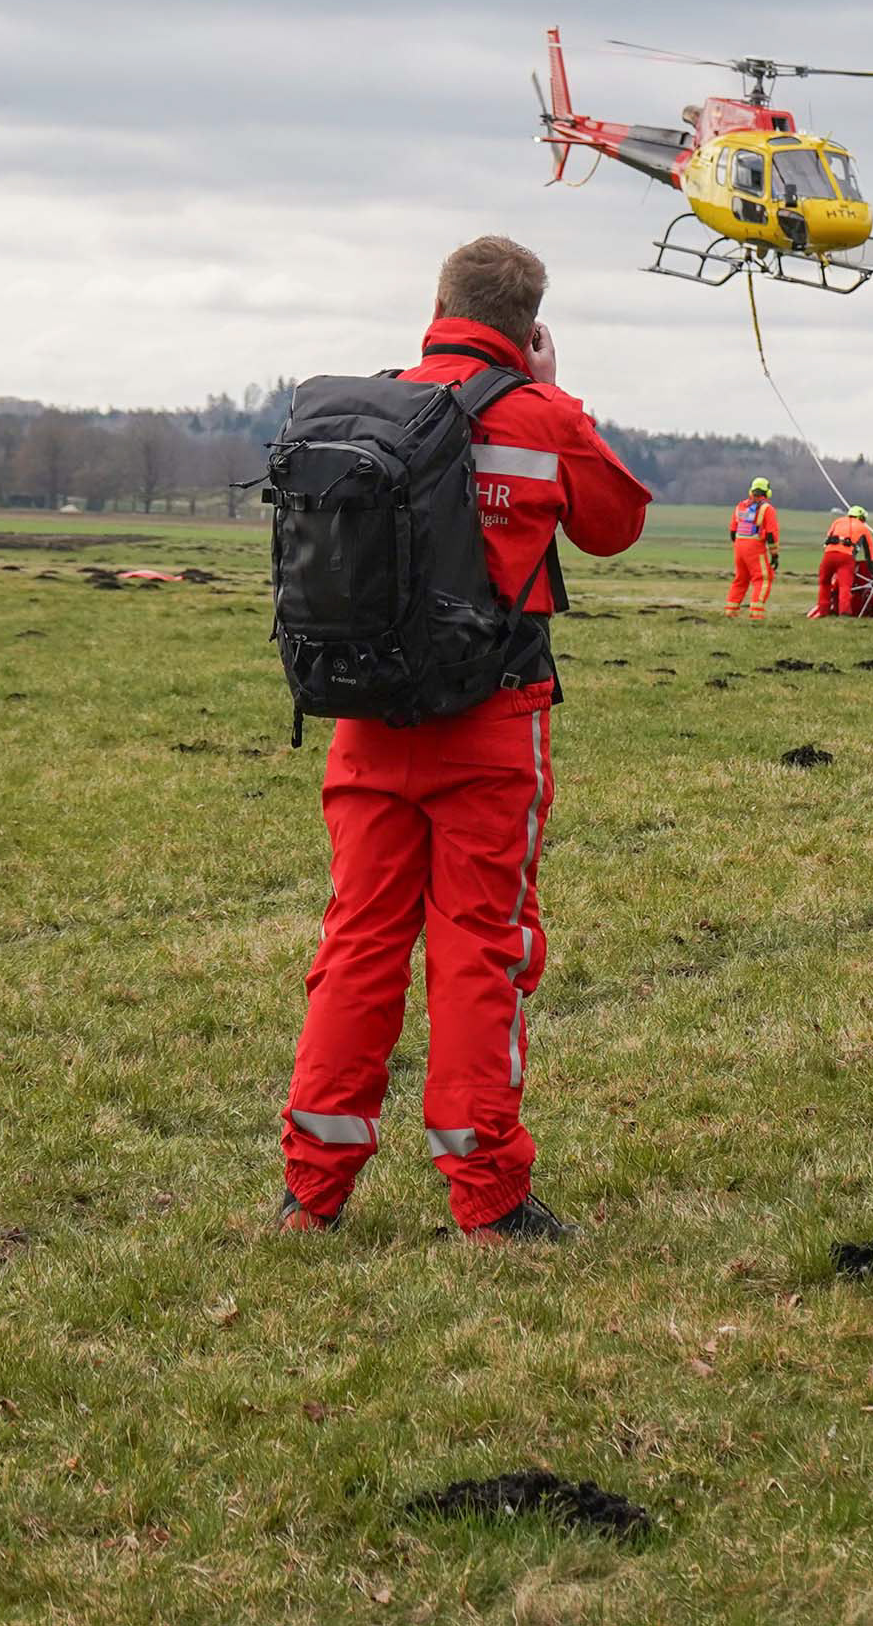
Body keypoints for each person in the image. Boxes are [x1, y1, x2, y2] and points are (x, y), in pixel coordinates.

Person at [278, 237, 651, 1243]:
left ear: (437, 302)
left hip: (365, 719)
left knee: (357, 942)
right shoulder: (540, 416)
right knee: (479, 951)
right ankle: (485, 1195)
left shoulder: (379, 411)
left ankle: (311, 1191)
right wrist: (550, 390)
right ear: (530, 324)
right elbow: (615, 526)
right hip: (490, 728)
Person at [725, 476, 780, 620]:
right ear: (767, 492)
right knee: (763, 578)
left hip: (739, 545)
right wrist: (774, 554)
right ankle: (756, 614)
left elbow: (732, 530)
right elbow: (771, 534)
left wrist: (738, 545)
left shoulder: (740, 506)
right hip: (754, 546)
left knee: (740, 579)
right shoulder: (767, 509)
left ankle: (730, 610)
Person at [816, 504, 873, 617]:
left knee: (824, 583)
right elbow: (869, 552)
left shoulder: (837, 522)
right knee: (844, 586)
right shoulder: (863, 528)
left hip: (829, 555)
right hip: (846, 558)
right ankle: (844, 612)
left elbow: (827, 539)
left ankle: (823, 611)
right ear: (861, 517)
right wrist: (872, 571)